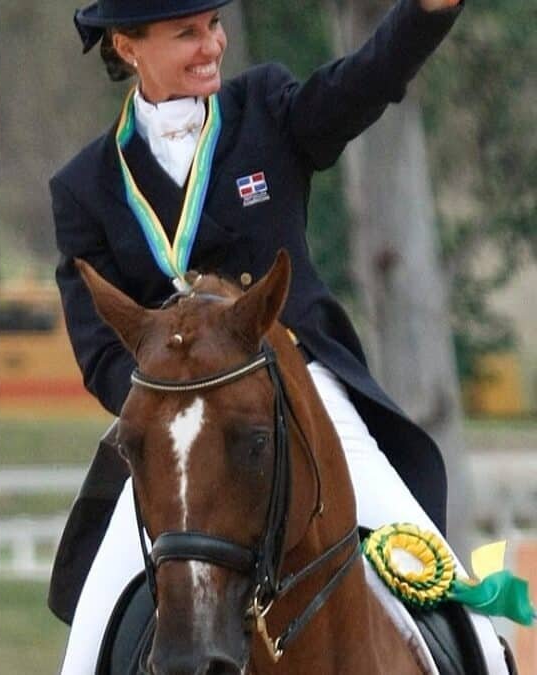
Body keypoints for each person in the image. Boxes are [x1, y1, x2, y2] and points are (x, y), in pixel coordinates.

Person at [50, 0, 512, 673]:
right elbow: (98, 351)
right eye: (187, 33)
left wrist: (424, 13)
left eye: (213, 25)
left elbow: (361, 83)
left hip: (301, 391)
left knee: (459, 605)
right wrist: (177, 399)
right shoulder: (82, 188)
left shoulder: (264, 111)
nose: (212, 45)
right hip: (174, 429)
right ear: (127, 46)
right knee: (85, 645)